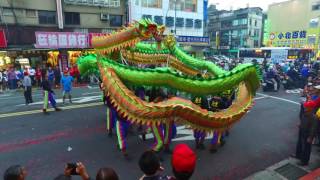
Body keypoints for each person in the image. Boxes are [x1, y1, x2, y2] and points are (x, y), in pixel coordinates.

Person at [291, 101, 318, 166]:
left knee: (306, 148)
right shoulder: (305, 113)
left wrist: (310, 137)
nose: (305, 107)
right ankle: (299, 155)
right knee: (300, 144)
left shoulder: (314, 117)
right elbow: (302, 120)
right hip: (302, 131)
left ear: (311, 108)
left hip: (307, 134)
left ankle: (304, 161)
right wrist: (300, 124)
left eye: (307, 107)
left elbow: (313, 129)